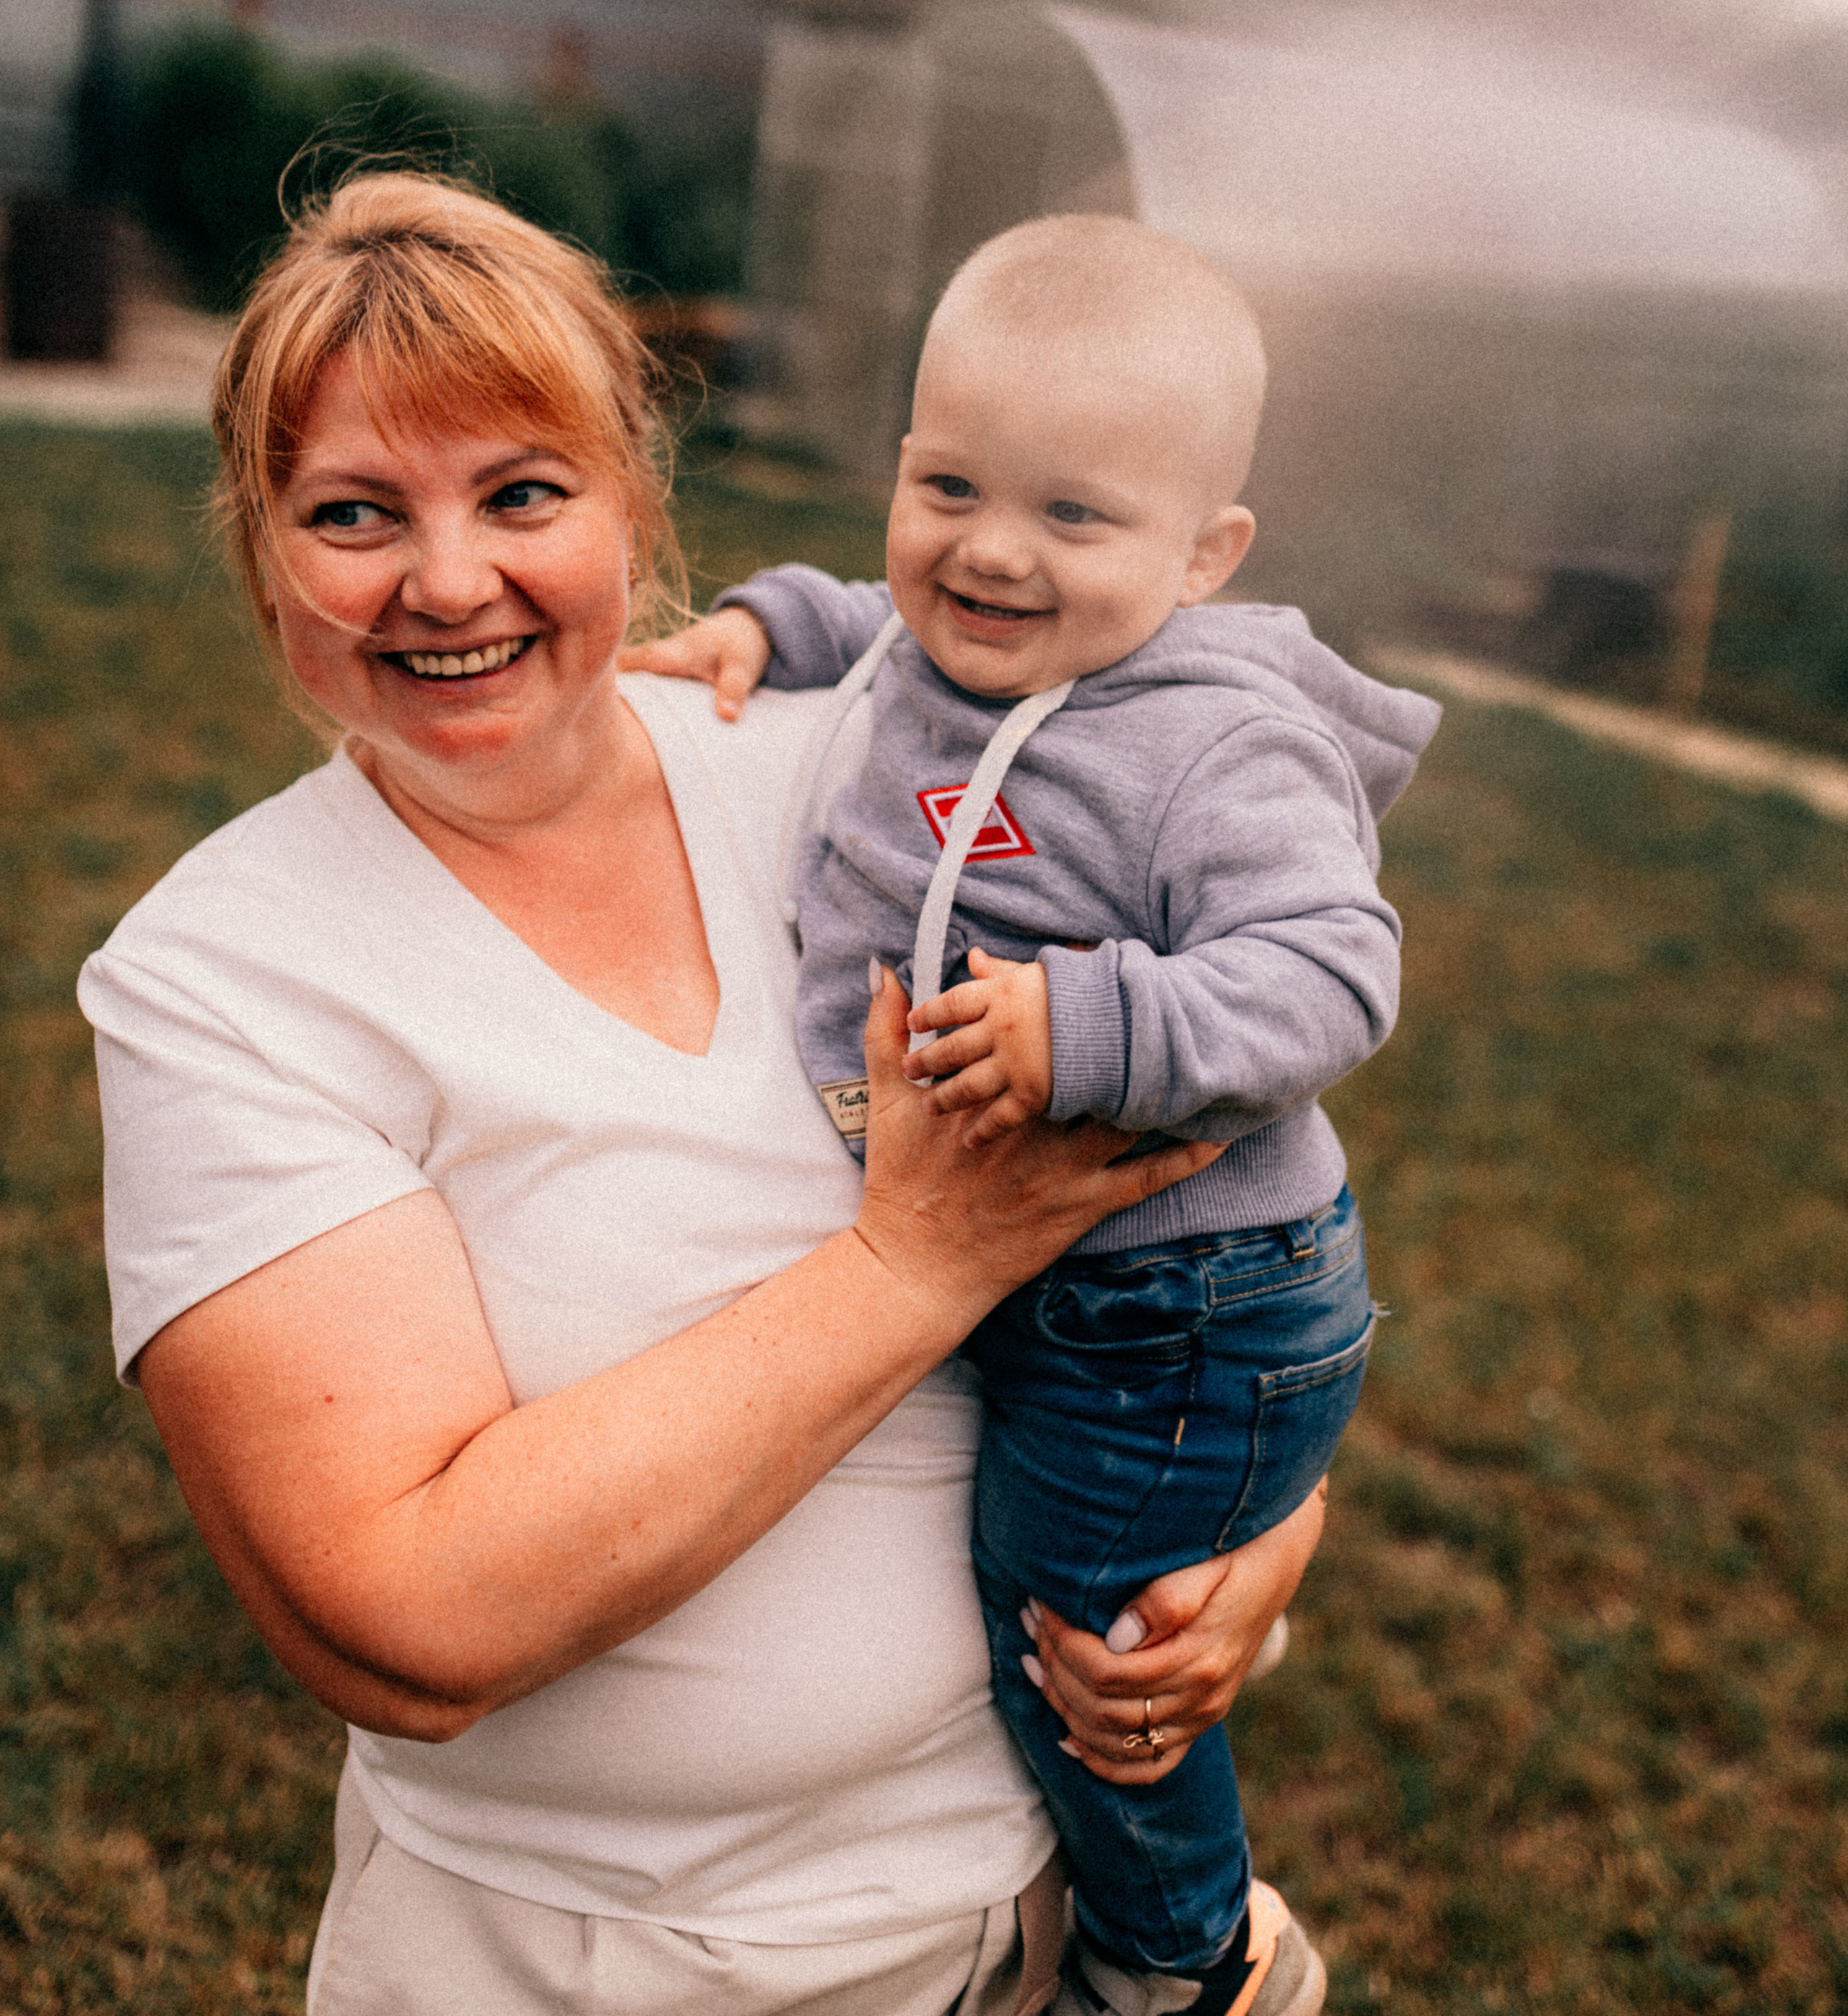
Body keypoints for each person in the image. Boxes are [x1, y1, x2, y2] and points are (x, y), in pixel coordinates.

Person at [79, 171, 1325, 2016]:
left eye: (521, 493)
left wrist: (1252, 1531)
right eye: (353, 513)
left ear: (633, 502)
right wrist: (911, 1266)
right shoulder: (224, 978)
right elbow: (405, 1620)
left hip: (1023, 1912)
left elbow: (1231, 1169)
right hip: (579, 1966)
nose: (446, 581)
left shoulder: (877, 775)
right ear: (268, 556)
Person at [629, 214, 1439, 2016]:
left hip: (1178, 1300)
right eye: (946, 484)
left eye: (1073, 518)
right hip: (1068, 1280)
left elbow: (1333, 970)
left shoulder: (1212, 751)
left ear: (1203, 552)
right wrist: (777, 615)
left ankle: (1183, 1961)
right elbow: (878, 623)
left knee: (1078, 1637)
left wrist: (1092, 1021)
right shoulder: (952, 639)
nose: (989, 552)